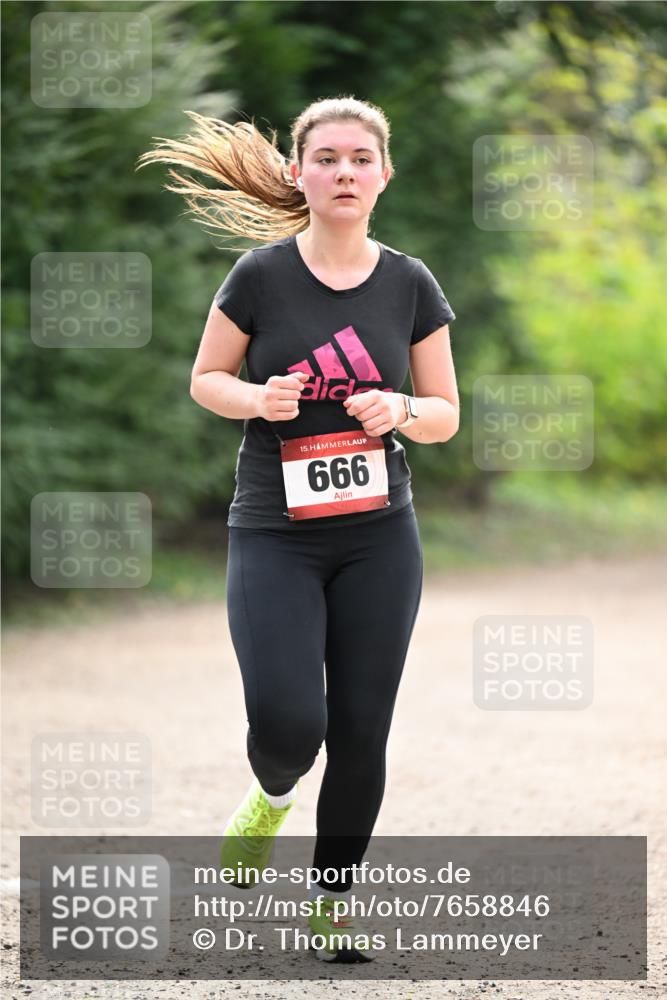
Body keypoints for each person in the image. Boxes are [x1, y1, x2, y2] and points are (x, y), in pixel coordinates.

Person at [137, 96, 459, 963]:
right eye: (326, 158)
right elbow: (207, 378)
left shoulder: (410, 283)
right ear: (298, 172)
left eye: (360, 159)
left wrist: (400, 407)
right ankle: (270, 797)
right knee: (289, 721)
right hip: (275, 530)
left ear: (383, 175)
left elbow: (444, 414)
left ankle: (332, 904)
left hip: (377, 534)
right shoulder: (259, 276)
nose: (344, 172)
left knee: (361, 728)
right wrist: (257, 397)